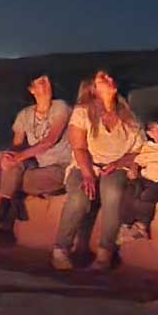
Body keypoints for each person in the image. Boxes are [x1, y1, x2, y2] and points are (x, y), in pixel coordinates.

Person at [52, 71, 145, 272]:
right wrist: (87, 174)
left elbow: (139, 150)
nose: (110, 79)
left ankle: (105, 254)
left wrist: (120, 161)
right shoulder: (82, 112)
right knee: (79, 197)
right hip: (84, 165)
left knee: (112, 191)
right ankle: (61, 249)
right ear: (93, 89)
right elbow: (79, 147)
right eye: (103, 79)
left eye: (110, 77)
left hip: (117, 166)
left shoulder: (130, 116)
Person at [0, 74, 71, 245]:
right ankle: (5, 216)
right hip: (38, 168)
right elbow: (17, 145)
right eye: (41, 82)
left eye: (47, 81)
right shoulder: (24, 115)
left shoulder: (60, 107)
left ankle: (5, 209)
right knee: (12, 166)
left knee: (14, 179)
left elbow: (49, 141)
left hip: (61, 168)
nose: (47, 85)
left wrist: (18, 158)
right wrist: (8, 156)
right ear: (32, 90)